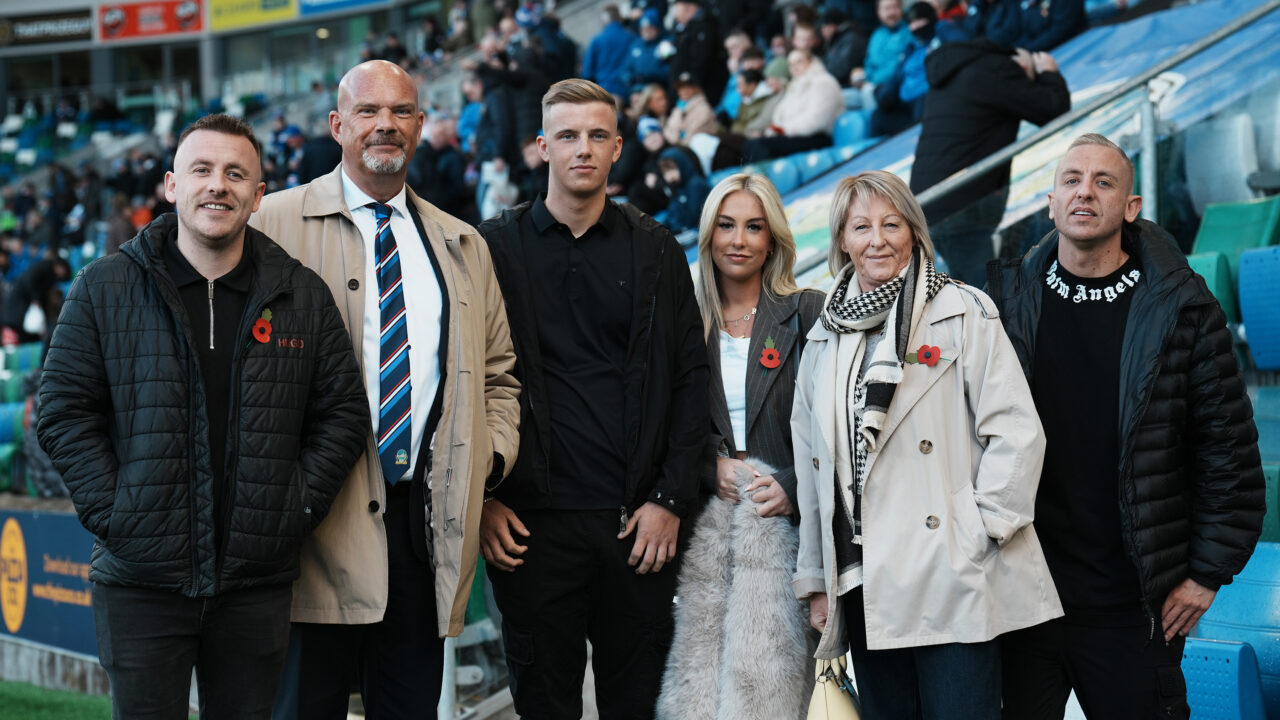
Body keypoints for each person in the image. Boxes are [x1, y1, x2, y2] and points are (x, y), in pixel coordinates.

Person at [36, 113, 369, 719]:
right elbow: (61, 412)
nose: (218, 185)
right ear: (171, 185)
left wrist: (292, 507)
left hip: (255, 586)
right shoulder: (104, 286)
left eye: (236, 173)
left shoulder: (302, 295)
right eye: (202, 170)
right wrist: (119, 514)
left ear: (258, 194)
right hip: (141, 583)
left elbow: (342, 414)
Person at [250, 60, 522, 718]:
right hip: (311, 524)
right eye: (368, 112)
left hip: (420, 525)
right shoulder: (271, 224)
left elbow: (498, 375)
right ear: (338, 124)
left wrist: (483, 465)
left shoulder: (462, 242)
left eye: (401, 111)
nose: (385, 125)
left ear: (422, 126)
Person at [989, 133, 1264, 719]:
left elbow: (1228, 452)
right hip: (1023, 600)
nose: (1084, 192)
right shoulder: (1005, 301)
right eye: (1071, 180)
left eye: (1103, 182)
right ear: (1051, 201)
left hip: (1132, 609)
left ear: (1131, 207)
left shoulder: (1183, 306)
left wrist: (1205, 576)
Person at [477, 78, 709, 719]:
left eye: (597, 136)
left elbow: (692, 379)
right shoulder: (491, 248)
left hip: (636, 526)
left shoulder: (656, 249)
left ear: (617, 148)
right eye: (569, 136)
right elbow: (466, 382)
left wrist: (669, 498)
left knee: (635, 708)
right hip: (529, 529)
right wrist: (484, 499)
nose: (584, 148)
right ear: (541, 147)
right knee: (546, 707)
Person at [792, 170, 1061, 720]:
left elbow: (1016, 428)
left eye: (892, 224)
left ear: (913, 232)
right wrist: (817, 578)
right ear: (842, 239)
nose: (877, 239)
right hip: (863, 578)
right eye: (861, 226)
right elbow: (812, 466)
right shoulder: (823, 334)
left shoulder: (964, 309)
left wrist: (981, 528)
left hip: (950, 570)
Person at [658, 173, 822, 719]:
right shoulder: (679, 318)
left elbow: (834, 426)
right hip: (701, 531)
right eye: (726, 225)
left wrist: (793, 485)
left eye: (754, 227)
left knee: (772, 688)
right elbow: (659, 422)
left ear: (773, 239)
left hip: (792, 537)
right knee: (696, 688)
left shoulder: (808, 313)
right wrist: (711, 466)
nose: (739, 240)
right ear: (708, 235)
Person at [909, 43, 1069, 285]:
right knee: (986, 297)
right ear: (1024, 67)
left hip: (927, 204)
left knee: (968, 288)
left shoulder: (955, 72)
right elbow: (1053, 108)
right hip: (962, 203)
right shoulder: (999, 72)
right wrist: (1048, 73)